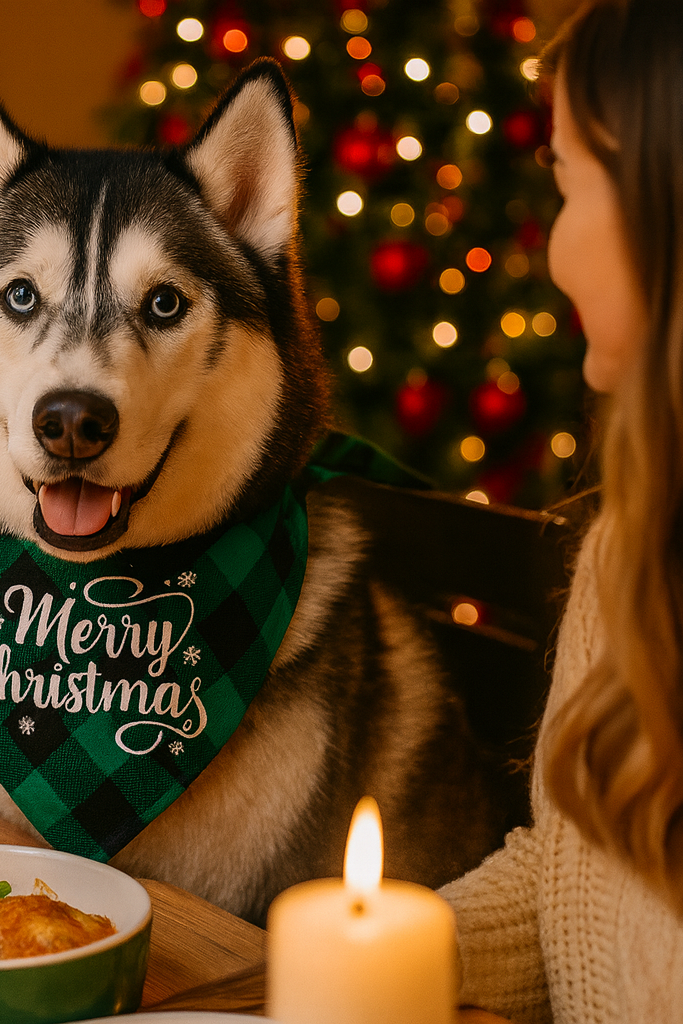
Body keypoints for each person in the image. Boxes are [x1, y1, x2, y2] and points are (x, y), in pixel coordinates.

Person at [439, 1, 683, 1021]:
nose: (552, 250)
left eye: (568, 185)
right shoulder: (630, 544)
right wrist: (375, 954)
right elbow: (568, 874)